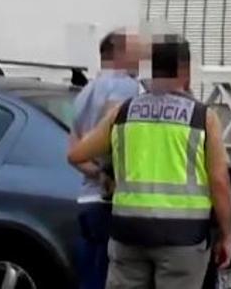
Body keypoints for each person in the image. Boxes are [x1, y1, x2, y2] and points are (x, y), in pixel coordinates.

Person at [68, 34, 231, 289]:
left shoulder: (123, 112)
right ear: (185, 71)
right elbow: (219, 181)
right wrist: (226, 235)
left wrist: (107, 172)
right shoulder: (202, 118)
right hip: (183, 238)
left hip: (128, 233)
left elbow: (76, 154)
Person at [68, 29, 144, 289]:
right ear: (119, 53)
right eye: (136, 50)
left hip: (87, 202)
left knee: (91, 278)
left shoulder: (84, 93)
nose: (142, 57)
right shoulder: (125, 86)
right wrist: (110, 174)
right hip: (112, 203)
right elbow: (116, 134)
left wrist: (98, 172)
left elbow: (73, 154)